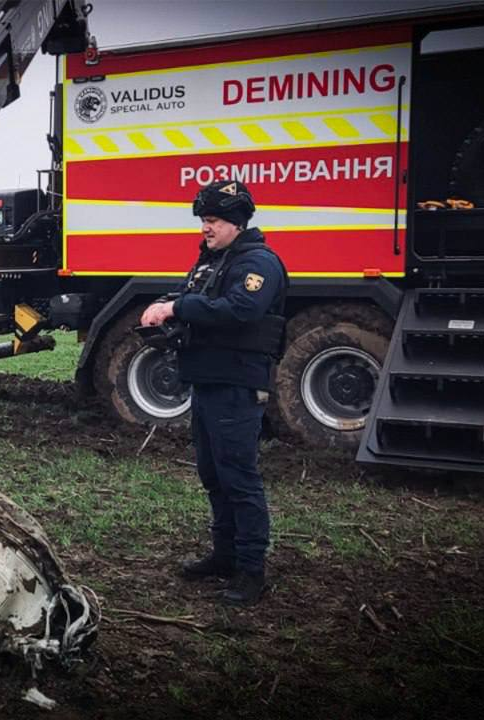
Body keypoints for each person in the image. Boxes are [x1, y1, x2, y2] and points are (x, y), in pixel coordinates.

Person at [139, 180, 287, 606]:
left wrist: (178, 308)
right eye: (204, 220)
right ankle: (224, 556)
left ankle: (250, 571)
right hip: (207, 381)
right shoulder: (214, 262)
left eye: (214, 221)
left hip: (236, 384)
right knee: (213, 475)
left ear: (237, 223)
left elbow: (243, 309)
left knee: (239, 478)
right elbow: (197, 302)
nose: (206, 228)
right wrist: (169, 306)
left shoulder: (258, 262)